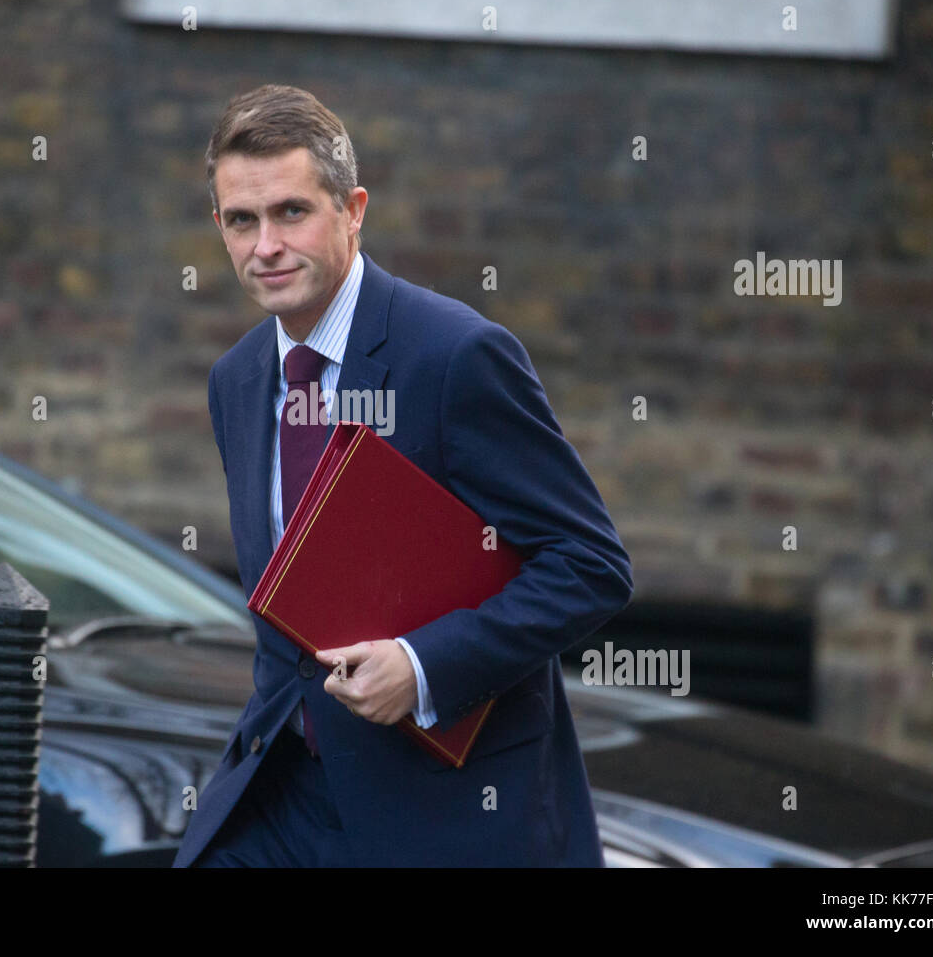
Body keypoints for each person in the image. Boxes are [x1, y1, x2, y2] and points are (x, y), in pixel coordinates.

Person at [172, 84, 633, 867]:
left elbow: (591, 567)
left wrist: (422, 667)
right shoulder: (237, 380)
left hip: (442, 816)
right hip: (284, 800)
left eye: (292, 212)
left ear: (353, 209)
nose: (266, 246)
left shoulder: (456, 357)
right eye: (242, 221)